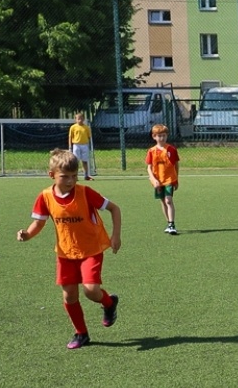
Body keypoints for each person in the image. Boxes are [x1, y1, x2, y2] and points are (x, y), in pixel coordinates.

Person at [16, 149, 122, 350]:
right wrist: (27, 234)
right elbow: (38, 223)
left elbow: (114, 209)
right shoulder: (45, 196)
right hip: (65, 253)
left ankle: (109, 303)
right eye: (65, 176)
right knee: (69, 296)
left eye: (74, 176)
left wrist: (116, 236)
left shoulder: (85, 193)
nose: (71, 181)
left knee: (91, 291)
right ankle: (81, 333)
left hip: (91, 249)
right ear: (52, 175)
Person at [145, 123, 180, 234]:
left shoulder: (171, 150)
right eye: (159, 136)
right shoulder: (151, 151)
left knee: (168, 200)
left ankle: (172, 224)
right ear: (154, 137)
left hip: (169, 179)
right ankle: (168, 223)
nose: (162, 138)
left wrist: (176, 179)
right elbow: (149, 168)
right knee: (163, 201)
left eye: (164, 135)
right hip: (158, 181)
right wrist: (153, 179)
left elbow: (176, 165)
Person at [67, 111, 95, 178]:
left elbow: (89, 137)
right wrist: (70, 146)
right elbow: (70, 137)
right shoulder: (73, 127)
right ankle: (75, 176)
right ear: (75, 119)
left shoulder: (86, 127)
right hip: (76, 145)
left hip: (84, 145)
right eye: (78, 118)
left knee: (85, 161)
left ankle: (86, 175)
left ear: (83, 119)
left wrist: (90, 146)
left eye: (81, 118)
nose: (80, 120)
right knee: (76, 161)